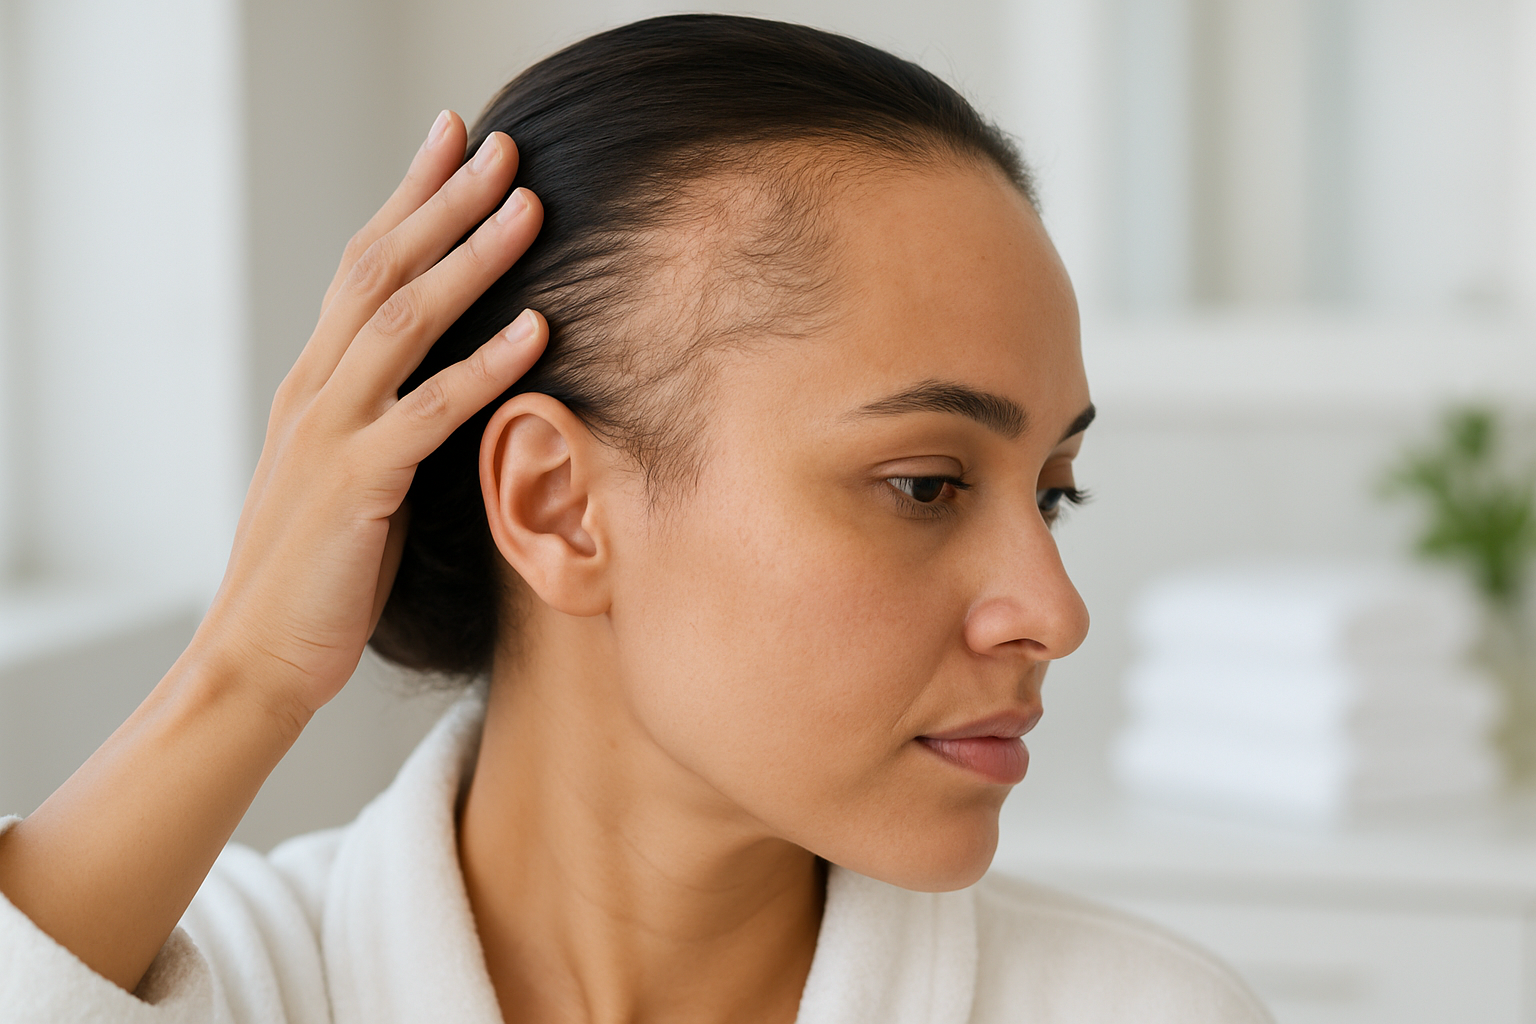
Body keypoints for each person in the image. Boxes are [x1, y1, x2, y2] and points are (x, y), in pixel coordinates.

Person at [0, 15, 1271, 1024]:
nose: (1055, 610)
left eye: (1054, 492)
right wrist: (244, 674)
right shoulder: (223, 986)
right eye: (927, 484)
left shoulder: (1147, 1011)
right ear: (557, 504)